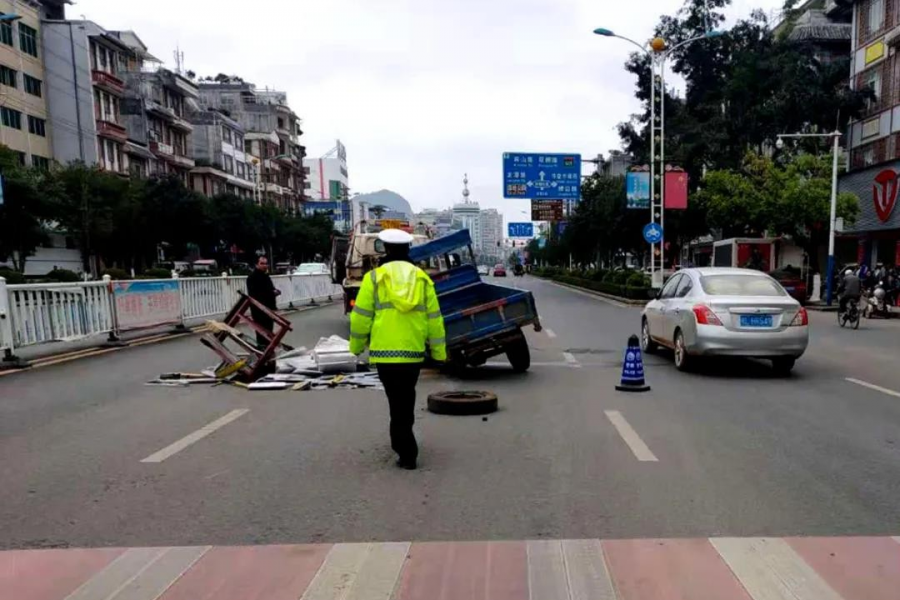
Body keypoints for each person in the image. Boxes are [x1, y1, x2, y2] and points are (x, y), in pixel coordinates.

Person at [349, 229, 447, 470]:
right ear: (407, 250)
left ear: (386, 249)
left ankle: (405, 448)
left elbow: (360, 317)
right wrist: (439, 353)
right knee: (407, 397)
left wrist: (356, 346)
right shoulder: (422, 278)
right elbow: (435, 319)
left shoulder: (374, 278)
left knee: (395, 400)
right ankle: (404, 444)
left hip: (384, 353)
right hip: (412, 352)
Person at [246, 255, 280, 347]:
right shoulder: (252, 278)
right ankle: (262, 353)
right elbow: (255, 295)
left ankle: (268, 354)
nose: (265, 266)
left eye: (266, 263)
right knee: (262, 334)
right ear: (256, 264)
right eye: (262, 263)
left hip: (269, 310)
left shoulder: (266, 277)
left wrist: (276, 291)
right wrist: (271, 293)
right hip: (259, 311)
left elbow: (271, 289)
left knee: (269, 333)